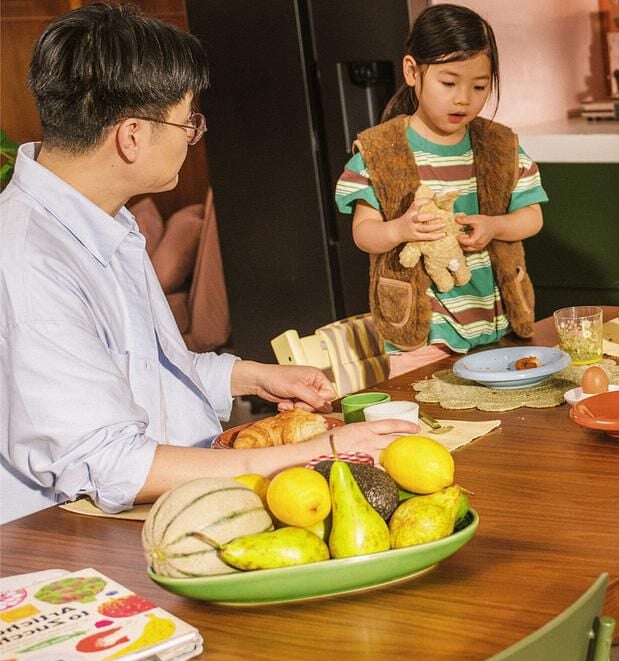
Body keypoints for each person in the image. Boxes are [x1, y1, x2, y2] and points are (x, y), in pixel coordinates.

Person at [0, 3, 415, 526]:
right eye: (187, 121)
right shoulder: (30, 262)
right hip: (69, 542)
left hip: (168, 510)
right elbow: (112, 465)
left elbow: (131, 365)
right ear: (131, 136)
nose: (194, 137)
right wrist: (318, 451)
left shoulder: (100, 222)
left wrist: (248, 376)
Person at [335, 3, 547, 369]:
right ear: (412, 71)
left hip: (495, 326)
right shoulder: (378, 152)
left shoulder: (502, 147)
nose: (463, 98)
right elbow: (364, 233)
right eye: (448, 83)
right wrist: (401, 228)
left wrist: (495, 226)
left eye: (479, 86)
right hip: (418, 337)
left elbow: (532, 217)